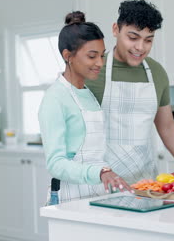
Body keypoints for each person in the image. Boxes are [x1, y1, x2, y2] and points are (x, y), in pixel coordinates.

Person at [85, 0, 174, 185]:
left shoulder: (157, 73)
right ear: (115, 30)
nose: (140, 47)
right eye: (133, 38)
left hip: (144, 184)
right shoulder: (91, 69)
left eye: (148, 40)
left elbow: (167, 126)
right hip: (99, 182)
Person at [38, 11, 133, 204]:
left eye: (101, 55)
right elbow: (55, 164)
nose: (100, 63)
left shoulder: (88, 94)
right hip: (70, 196)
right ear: (68, 56)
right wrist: (100, 173)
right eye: (92, 56)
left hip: (99, 192)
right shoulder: (54, 99)